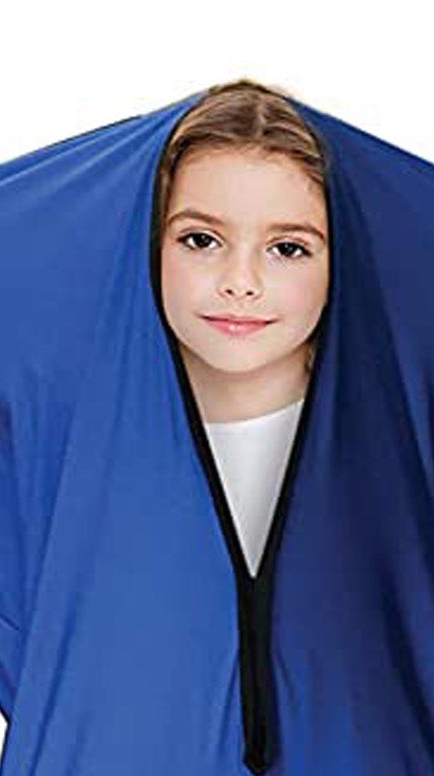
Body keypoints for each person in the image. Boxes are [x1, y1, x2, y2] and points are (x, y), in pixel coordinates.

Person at [154, 80, 330, 575]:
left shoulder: (401, 445)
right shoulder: (78, 442)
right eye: (201, 240)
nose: (240, 283)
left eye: (287, 249)